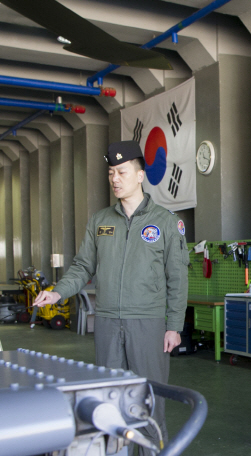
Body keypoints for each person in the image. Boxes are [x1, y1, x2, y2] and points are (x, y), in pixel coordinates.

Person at [33, 140, 189, 455]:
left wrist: (174, 325)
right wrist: (57, 291)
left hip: (148, 324)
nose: (115, 179)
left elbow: (178, 276)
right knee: (108, 401)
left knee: (148, 403)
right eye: (110, 173)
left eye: (121, 171)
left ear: (140, 175)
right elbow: (82, 267)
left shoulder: (166, 222)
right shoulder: (100, 221)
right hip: (106, 323)